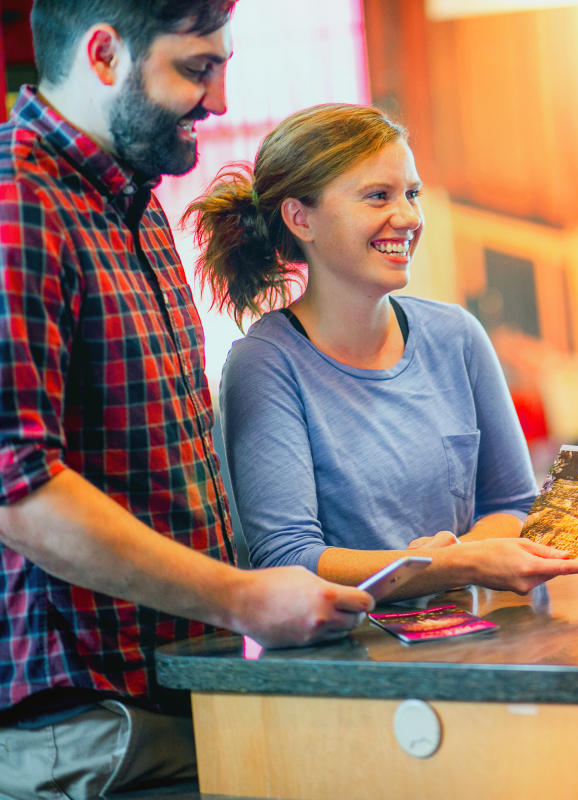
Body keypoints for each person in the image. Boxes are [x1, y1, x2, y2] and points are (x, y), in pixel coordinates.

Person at [0, 2, 376, 797]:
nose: (221, 100)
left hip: (165, 693)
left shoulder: (129, 205)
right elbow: (18, 493)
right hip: (88, 727)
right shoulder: (18, 203)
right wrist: (244, 599)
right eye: (197, 68)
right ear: (104, 55)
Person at [186, 103, 578, 597]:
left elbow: (514, 503)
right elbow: (287, 558)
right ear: (300, 218)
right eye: (377, 196)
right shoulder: (266, 363)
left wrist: (457, 561)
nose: (407, 218)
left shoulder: (457, 335)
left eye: (412, 194)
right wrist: (441, 565)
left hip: (478, 644)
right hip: (354, 658)